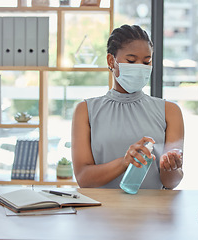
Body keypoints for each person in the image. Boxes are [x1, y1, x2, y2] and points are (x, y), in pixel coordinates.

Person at [71, 24, 184, 190]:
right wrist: (124, 162)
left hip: (152, 212)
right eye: (131, 61)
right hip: (101, 212)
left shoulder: (170, 111)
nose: (140, 67)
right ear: (111, 61)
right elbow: (83, 179)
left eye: (146, 62)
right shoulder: (85, 111)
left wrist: (171, 167)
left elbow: (170, 183)